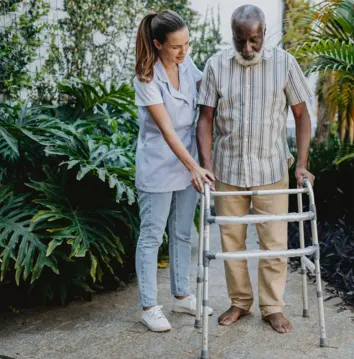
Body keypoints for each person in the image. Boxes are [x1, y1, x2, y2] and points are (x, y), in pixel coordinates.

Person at [196, 5, 315, 334]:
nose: (247, 48)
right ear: (232, 35)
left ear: (264, 33)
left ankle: (272, 307)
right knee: (231, 243)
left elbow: (302, 115)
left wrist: (302, 165)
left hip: (271, 166)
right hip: (228, 169)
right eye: (240, 40)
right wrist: (206, 166)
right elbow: (205, 119)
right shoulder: (216, 65)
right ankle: (239, 302)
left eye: (254, 40)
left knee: (273, 244)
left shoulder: (285, 64)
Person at [133, 9, 215, 332]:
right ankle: (149, 306)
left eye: (187, 44)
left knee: (182, 232)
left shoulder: (187, 65)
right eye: (176, 46)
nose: (184, 51)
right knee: (152, 235)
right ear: (157, 44)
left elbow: (209, 94)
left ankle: (181, 296)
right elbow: (166, 128)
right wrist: (194, 166)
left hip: (187, 164)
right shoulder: (146, 77)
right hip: (158, 165)